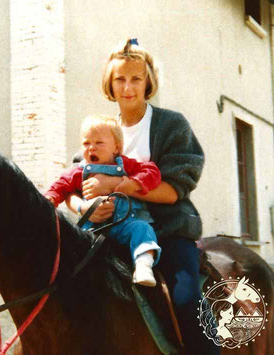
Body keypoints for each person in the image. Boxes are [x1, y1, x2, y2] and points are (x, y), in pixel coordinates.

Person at [65, 38, 220, 354]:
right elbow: (71, 186)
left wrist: (115, 185)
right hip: (107, 236)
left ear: (148, 81)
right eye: (120, 79)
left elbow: (173, 192)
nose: (128, 87)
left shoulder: (171, 125)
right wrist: (85, 208)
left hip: (168, 234)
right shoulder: (102, 129)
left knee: (186, 301)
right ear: (110, 82)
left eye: (136, 78)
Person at [45, 114, 162, 286]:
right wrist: (51, 198)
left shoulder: (127, 165)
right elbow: (62, 185)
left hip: (125, 224)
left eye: (99, 143)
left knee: (142, 229)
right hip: (93, 229)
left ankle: (144, 264)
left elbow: (152, 171)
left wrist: (134, 183)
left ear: (117, 147)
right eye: (86, 143)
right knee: (75, 248)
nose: (91, 148)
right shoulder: (80, 171)